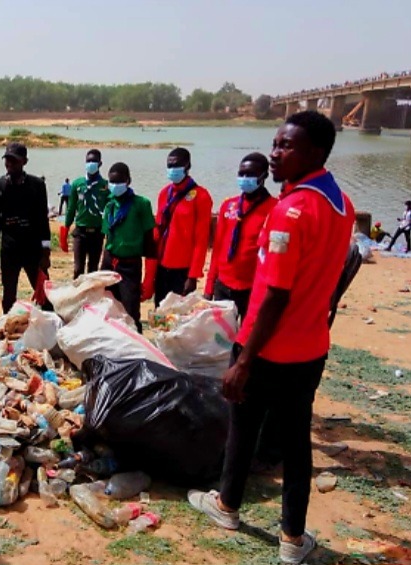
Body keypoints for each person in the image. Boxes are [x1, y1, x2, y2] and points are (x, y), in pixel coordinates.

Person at [188, 111, 355, 565]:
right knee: (296, 443)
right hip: (311, 347)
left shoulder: (289, 211)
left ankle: (227, 507)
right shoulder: (342, 203)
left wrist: (244, 361)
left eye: (285, 146)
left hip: (267, 348)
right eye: (275, 144)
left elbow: (276, 295)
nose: (275, 154)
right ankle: (292, 540)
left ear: (314, 153)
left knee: (243, 428)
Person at [204, 153, 277, 321]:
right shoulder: (229, 206)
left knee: (246, 339)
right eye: (241, 174)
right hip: (223, 284)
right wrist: (209, 286)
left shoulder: (274, 209)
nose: (244, 178)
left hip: (253, 287)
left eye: (250, 174)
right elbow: (218, 247)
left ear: (264, 176)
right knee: (220, 338)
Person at [0, 142, 51, 313]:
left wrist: (46, 253)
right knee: (8, 296)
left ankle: (51, 330)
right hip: (9, 250)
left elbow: (43, 222)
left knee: (44, 294)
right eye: (7, 160)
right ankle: (8, 331)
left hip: (33, 250)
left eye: (14, 161)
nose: (10, 164)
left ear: (24, 161)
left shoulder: (37, 185)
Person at [149, 147, 213, 306]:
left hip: (183, 269)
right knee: (161, 313)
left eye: (176, 165)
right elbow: (158, 229)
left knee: (178, 318)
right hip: (162, 264)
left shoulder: (201, 196)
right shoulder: (165, 193)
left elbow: (201, 239)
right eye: (169, 166)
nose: (172, 169)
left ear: (187, 165)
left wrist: (193, 276)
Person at [100, 163, 155, 331]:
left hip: (129, 264)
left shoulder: (141, 204)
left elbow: (150, 241)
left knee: (130, 311)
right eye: (111, 181)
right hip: (110, 260)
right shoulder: (109, 205)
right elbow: (108, 237)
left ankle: (136, 347)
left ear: (128, 181)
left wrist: (149, 278)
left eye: (119, 181)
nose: (115, 185)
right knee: (108, 306)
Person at [64, 149, 110, 278]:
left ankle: (90, 297)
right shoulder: (77, 184)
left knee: (93, 269)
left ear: (100, 163)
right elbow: (71, 208)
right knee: (78, 269)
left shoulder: (105, 186)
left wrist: (109, 231)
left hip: (97, 232)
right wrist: (65, 229)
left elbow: (110, 210)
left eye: (94, 161)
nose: (91, 163)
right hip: (80, 232)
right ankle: (77, 295)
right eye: (88, 161)